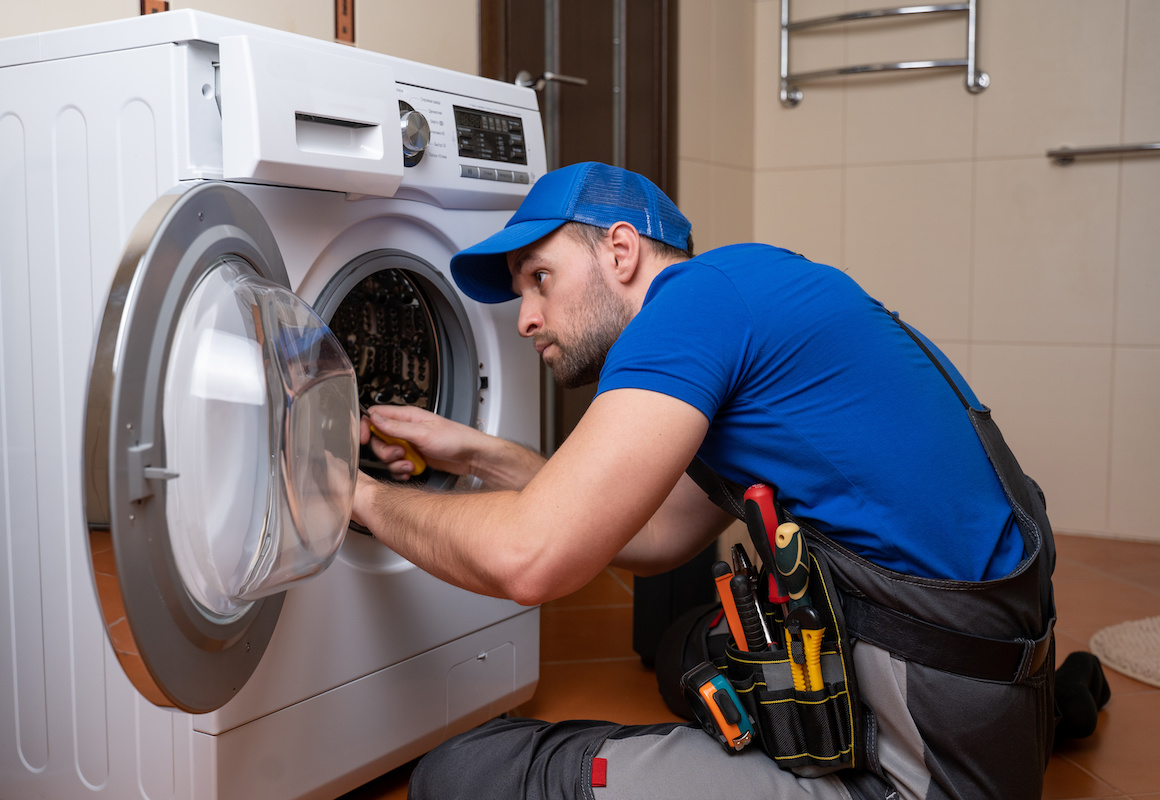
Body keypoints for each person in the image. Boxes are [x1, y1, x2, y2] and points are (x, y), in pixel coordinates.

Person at [350, 162, 1058, 800]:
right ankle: (1052, 712)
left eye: (540, 278)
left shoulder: (688, 308)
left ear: (620, 251)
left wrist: (354, 495)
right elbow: (657, 532)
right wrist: (474, 453)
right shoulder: (742, 292)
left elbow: (529, 559)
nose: (526, 318)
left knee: (462, 777)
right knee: (687, 654)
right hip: (985, 675)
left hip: (926, 751)